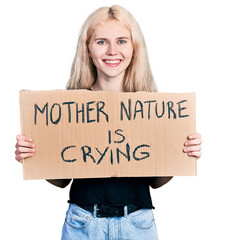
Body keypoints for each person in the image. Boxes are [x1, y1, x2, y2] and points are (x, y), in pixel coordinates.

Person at [15, 5, 202, 240]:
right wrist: (35, 155)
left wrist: (181, 153)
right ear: (88, 50)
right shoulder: (71, 106)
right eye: (102, 42)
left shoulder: (151, 107)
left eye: (122, 41)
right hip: (83, 223)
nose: (112, 50)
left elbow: (157, 181)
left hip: (138, 224)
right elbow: (61, 180)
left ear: (134, 48)